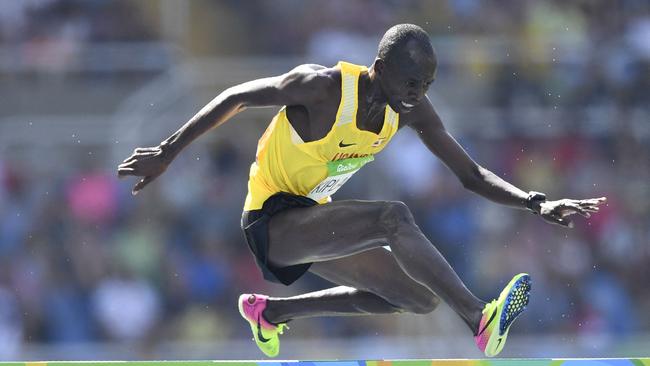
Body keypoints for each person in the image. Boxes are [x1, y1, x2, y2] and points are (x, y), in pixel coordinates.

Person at [117, 24, 606, 358]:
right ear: (380, 66)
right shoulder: (324, 87)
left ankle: (271, 313)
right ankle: (480, 318)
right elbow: (238, 97)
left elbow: (470, 175)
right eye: (411, 81)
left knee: (417, 298)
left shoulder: (409, 109)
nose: (418, 93)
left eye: (428, 84)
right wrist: (167, 151)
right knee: (390, 218)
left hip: (314, 220)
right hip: (270, 220)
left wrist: (534, 201)